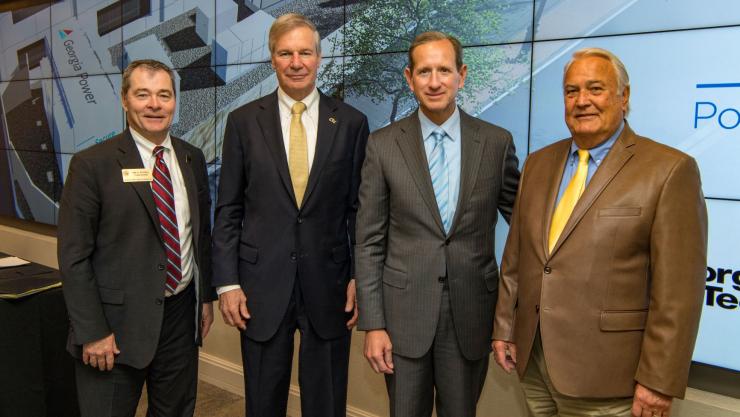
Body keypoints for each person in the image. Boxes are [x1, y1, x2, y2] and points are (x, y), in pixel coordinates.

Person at [493, 47, 707, 417]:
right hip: (535, 366)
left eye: (596, 89)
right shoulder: (538, 163)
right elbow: (516, 258)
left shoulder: (670, 170)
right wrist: (504, 327)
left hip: (610, 382)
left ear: (624, 97)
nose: (582, 101)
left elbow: (678, 294)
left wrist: (659, 380)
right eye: (572, 91)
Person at [211, 13, 369, 417]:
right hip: (260, 286)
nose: (296, 61)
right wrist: (227, 282)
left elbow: (358, 210)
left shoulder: (351, 123)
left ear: (319, 57)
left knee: (327, 402)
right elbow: (228, 209)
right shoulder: (243, 122)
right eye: (285, 53)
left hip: (330, 285)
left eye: (304, 52)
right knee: (263, 400)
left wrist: (357, 276)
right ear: (272, 59)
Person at [355, 31, 520, 417]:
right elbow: (368, 241)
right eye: (424, 71)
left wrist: (512, 314)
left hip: (472, 315)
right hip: (401, 319)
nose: (434, 81)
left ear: (461, 75)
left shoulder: (496, 143)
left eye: (444, 70)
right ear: (408, 78)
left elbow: (525, 228)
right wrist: (373, 324)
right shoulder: (382, 146)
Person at [58, 59, 214, 417]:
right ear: (124, 101)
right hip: (114, 325)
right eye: (142, 94)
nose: (154, 105)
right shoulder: (92, 164)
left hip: (179, 317)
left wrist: (204, 298)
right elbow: (74, 256)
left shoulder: (192, 158)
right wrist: (92, 330)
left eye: (164, 94)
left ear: (175, 101)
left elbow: (199, 235)